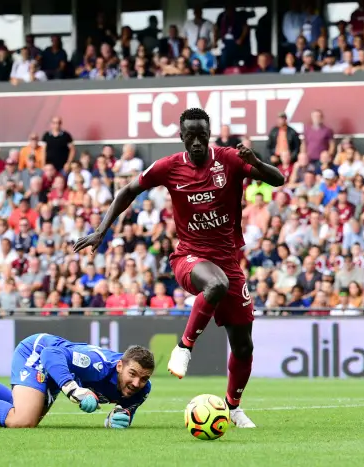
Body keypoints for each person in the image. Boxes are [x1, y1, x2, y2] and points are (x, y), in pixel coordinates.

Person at [74, 107, 285, 428]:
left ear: (210, 133)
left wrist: (255, 163)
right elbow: (128, 190)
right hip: (190, 259)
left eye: (202, 135)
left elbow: (278, 179)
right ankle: (184, 348)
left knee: (244, 345)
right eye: (191, 136)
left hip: (229, 262)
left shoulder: (229, 160)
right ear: (182, 137)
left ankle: (233, 407)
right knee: (215, 284)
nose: (197, 142)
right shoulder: (169, 167)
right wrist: (101, 230)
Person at [0, 334, 154, 429]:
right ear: (119, 367)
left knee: (25, 411)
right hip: (38, 352)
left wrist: (114, 421)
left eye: (144, 378)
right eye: (132, 374)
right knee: (23, 419)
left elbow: (122, 414)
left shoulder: (142, 390)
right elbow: (51, 354)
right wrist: (72, 389)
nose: (137, 383)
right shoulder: (96, 364)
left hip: (55, 370)